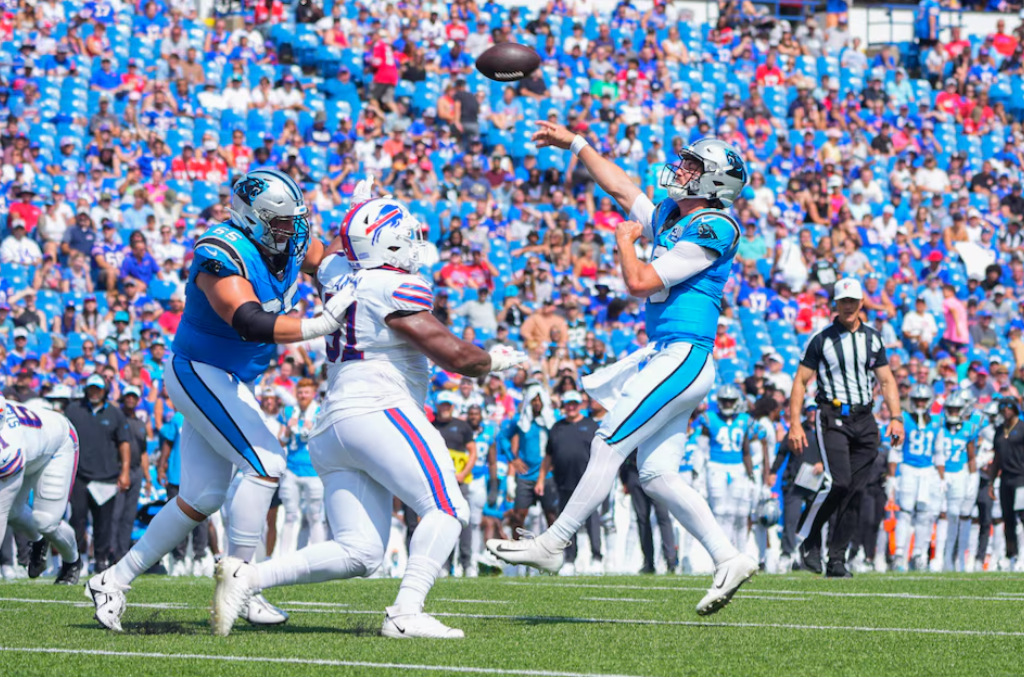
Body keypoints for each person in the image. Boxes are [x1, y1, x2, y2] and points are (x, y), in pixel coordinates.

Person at [209, 194, 527, 639]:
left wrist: (359, 213)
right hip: (379, 406)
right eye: (404, 234)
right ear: (386, 244)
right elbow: (456, 356)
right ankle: (406, 611)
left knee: (360, 551)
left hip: (334, 420)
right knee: (448, 507)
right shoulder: (393, 285)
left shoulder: (339, 273)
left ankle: (247, 577)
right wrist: (492, 360)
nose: (413, 241)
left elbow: (325, 256)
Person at [487, 124, 758, 615]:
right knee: (655, 474)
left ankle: (555, 543)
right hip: (670, 354)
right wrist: (576, 143)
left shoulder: (714, 226)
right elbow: (620, 187)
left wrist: (623, 243)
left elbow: (639, 281)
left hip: (684, 353)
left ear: (715, 183)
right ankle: (729, 556)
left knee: (608, 440)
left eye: (694, 167)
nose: (682, 171)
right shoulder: (677, 216)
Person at [86, 169, 353, 632]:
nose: (294, 233)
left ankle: (112, 579)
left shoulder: (289, 239)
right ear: (253, 219)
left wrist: (355, 240)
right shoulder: (222, 253)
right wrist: (320, 324)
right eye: (283, 223)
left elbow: (323, 257)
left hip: (230, 378)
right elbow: (247, 320)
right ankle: (243, 583)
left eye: (295, 222)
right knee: (267, 463)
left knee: (202, 495)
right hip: (198, 369)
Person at [789, 278, 904, 578]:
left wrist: (896, 417)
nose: (849, 305)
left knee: (855, 490)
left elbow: (887, 380)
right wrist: (794, 424)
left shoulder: (873, 339)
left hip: (865, 419)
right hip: (832, 415)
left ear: (861, 302)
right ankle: (808, 538)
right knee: (839, 483)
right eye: (843, 301)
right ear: (836, 304)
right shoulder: (821, 339)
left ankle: (837, 559)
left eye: (853, 300)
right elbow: (801, 381)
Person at [0, 395, 82, 584]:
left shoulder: (8, 448)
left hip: (56, 446)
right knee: (14, 513)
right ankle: (39, 540)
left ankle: (72, 562)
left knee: (45, 521)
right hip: (30, 447)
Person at [65, 374, 131, 574]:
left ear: (105, 391)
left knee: (103, 523)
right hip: (79, 475)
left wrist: (125, 471)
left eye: (98, 389)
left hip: (107, 477)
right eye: (91, 388)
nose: (94, 392)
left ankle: (101, 559)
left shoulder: (115, 413)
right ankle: (76, 560)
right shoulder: (73, 410)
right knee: (77, 519)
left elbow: (124, 443)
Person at [540, 390, 602, 575]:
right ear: (564, 406)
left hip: (588, 481)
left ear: (580, 404)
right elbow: (548, 456)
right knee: (567, 521)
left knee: (592, 520)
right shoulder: (557, 427)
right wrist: (541, 479)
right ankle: (569, 559)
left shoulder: (591, 425)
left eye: (575, 403)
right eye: (568, 403)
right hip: (563, 481)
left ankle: (597, 557)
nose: (571, 406)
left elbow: (601, 454)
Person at [888, 383, 944, 572]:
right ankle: (899, 554)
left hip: (928, 472)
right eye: (917, 400)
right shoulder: (904, 419)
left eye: (923, 400)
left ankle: (920, 553)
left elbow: (939, 452)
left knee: (924, 515)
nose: (920, 403)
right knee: (904, 513)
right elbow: (894, 450)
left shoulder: (937, 421)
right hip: (908, 469)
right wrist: (891, 477)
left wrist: (942, 478)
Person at [278, 378, 326, 555]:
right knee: (290, 516)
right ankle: (283, 558)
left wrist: (314, 428)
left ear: (313, 394)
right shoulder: (289, 411)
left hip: (313, 470)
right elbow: (280, 441)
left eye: (306, 392)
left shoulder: (320, 412)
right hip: (291, 469)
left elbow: (327, 440)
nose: (303, 395)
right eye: (300, 392)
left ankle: (319, 558)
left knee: (314, 516)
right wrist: (288, 430)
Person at [703, 385, 754, 551]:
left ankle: (738, 553)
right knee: (718, 511)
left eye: (730, 401)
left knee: (736, 512)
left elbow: (746, 451)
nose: (727, 404)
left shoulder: (744, 420)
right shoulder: (709, 418)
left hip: (738, 468)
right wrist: (698, 473)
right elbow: (701, 450)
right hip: (716, 466)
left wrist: (751, 473)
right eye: (724, 401)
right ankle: (721, 552)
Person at [431, 390, 477, 575]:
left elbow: (473, 452)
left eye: (448, 405)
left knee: (463, 521)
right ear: (437, 406)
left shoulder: (462, 426)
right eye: (443, 405)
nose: (445, 408)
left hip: (459, 481)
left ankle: (466, 563)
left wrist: (464, 473)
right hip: (439, 483)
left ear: (453, 406)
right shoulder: (430, 426)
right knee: (442, 522)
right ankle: (444, 563)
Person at [935, 391, 978, 572]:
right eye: (950, 408)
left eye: (956, 409)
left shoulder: (969, 428)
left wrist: (973, 478)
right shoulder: (938, 425)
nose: (953, 412)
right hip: (940, 473)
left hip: (960, 474)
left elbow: (971, 456)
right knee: (938, 513)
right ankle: (937, 557)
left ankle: (952, 557)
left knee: (954, 515)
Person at [110, 386, 149, 563]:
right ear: (123, 398)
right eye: (128, 396)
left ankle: (123, 553)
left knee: (129, 515)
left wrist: (147, 477)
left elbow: (143, 452)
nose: (130, 399)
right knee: (115, 514)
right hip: (119, 469)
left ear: (138, 400)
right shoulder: (117, 419)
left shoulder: (141, 424)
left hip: (136, 470)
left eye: (134, 397)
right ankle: (111, 551)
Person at [991, 396, 1024, 572]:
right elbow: (996, 459)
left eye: (1009, 407)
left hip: (1021, 478)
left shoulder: (1022, 427)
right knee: (1008, 519)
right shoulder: (999, 430)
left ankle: (1023, 556)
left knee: (1022, 517)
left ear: (1015, 408)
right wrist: (991, 481)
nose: (1005, 410)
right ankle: (1012, 555)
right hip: (1005, 479)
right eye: (1002, 407)